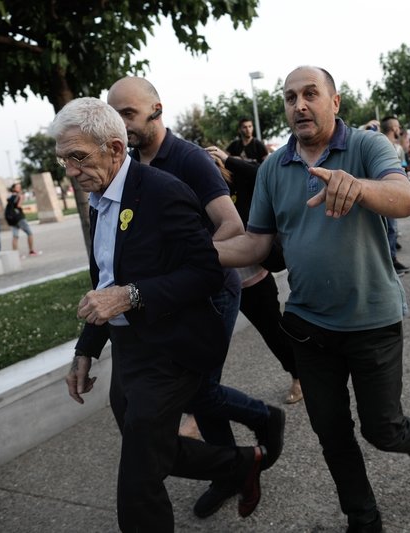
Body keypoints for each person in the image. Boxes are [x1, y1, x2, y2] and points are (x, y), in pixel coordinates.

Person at [214, 66, 410, 533]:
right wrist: (197, 254)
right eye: (289, 97)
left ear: (334, 102)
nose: (299, 104)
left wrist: (358, 187)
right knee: (332, 434)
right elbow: (257, 244)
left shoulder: (366, 146)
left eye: (310, 94)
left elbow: (406, 198)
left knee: (383, 430)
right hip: (308, 325)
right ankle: (362, 516)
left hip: (372, 320)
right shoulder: (273, 168)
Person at [51, 97, 268, 532]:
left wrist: (131, 296)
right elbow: (106, 279)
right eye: (63, 161)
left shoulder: (162, 191)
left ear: (114, 148)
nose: (71, 172)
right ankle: (242, 462)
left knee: (137, 483)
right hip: (130, 350)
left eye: (78, 157)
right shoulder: (99, 197)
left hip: (173, 349)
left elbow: (207, 272)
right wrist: (86, 349)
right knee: (157, 452)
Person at [106, 76, 285, 520]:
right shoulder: (130, 164)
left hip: (210, 292)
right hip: (166, 298)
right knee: (196, 390)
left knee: (198, 389)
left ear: (156, 109)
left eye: (128, 114)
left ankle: (254, 433)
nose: (121, 124)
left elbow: (231, 227)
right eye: (115, 115)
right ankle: (238, 458)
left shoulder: (186, 159)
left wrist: (185, 264)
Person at [205, 144, 303, 405]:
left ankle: (298, 375)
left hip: (253, 277)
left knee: (274, 332)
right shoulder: (196, 195)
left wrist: (229, 159)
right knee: (207, 346)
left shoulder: (240, 185)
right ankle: (197, 410)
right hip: (218, 283)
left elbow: (261, 173)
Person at [380, 115, 410, 275]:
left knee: (392, 229)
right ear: (393, 129)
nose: (400, 129)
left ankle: (392, 260)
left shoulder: (397, 147)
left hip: (394, 192)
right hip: (383, 194)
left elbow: (404, 167)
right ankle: (389, 264)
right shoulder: (380, 145)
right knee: (388, 229)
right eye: (398, 127)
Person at [7, 183, 39, 256]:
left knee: (15, 236)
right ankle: (31, 251)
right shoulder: (18, 196)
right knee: (29, 233)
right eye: (18, 187)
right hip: (19, 218)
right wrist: (22, 198)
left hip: (11, 218)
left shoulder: (10, 196)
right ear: (14, 188)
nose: (19, 188)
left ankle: (15, 254)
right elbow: (18, 205)